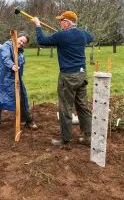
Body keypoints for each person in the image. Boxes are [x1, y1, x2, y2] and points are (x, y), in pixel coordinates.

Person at [30, 11, 94, 147]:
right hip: (82, 75)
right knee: (83, 107)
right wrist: (70, 37)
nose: (59, 23)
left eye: (61, 21)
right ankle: (88, 137)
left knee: (65, 108)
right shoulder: (82, 34)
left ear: (67, 22)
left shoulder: (61, 35)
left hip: (68, 77)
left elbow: (41, 40)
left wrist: (37, 25)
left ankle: (65, 141)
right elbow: (91, 38)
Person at [0, 32, 38, 133]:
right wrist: (12, 65)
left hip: (15, 78)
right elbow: (6, 58)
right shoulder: (6, 46)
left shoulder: (19, 51)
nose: (22, 43)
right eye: (21, 40)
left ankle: (28, 121)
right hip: (2, 79)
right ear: (16, 37)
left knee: (22, 99)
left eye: (24, 43)